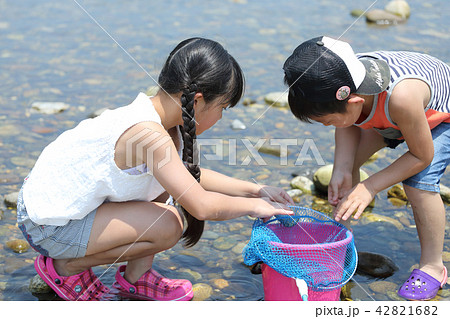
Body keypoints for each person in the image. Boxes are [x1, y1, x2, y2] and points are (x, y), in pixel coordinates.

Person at [17, 37, 293, 301]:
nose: (220, 117)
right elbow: (202, 206)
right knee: (169, 225)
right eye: (222, 107)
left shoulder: (157, 117)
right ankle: (67, 266)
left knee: (166, 194)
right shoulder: (149, 134)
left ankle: (136, 279)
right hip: (47, 224)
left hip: (59, 208)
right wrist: (255, 206)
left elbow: (188, 177)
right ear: (197, 100)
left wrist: (255, 189)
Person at [283, 35, 449, 300]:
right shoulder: (341, 79)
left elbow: (421, 155)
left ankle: (432, 265)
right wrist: (342, 167)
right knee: (347, 171)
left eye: (327, 121)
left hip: (438, 115)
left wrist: (370, 186)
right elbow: (347, 125)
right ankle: (340, 241)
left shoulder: (402, 98)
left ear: (355, 103)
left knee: (418, 184)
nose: (328, 126)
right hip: (388, 116)